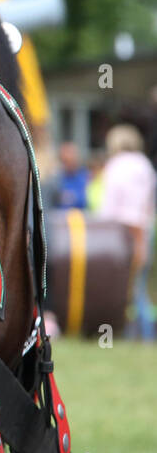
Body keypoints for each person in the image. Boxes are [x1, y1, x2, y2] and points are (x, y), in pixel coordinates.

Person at [96, 124, 156, 341]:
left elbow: (129, 213)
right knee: (137, 289)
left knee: (127, 292)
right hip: (140, 233)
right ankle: (141, 336)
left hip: (120, 236)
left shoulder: (118, 165)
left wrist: (138, 245)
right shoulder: (144, 165)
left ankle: (137, 337)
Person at [50, 141, 90, 209]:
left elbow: (86, 200)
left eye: (72, 159)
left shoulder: (85, 177)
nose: (70, 164)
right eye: (66, 161)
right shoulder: (55, 179)